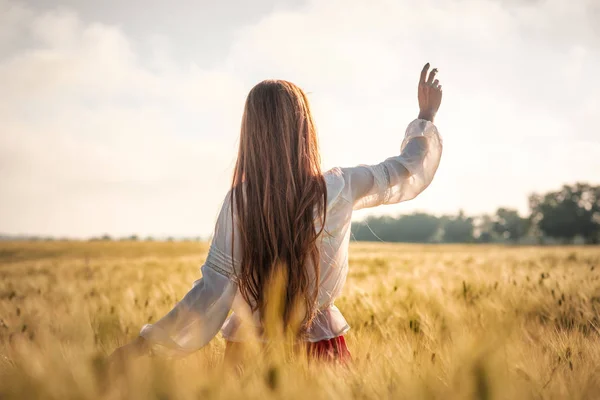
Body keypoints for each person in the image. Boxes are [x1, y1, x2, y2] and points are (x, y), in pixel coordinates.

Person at [110, 63, 443, 364]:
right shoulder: (339, 187)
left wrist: (146, 343)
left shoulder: (241, 201)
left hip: (248, 353)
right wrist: (425, 117)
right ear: (304, 128)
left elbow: (210, 291)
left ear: (251, 133)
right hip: (320, 348)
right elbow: (406, 169)